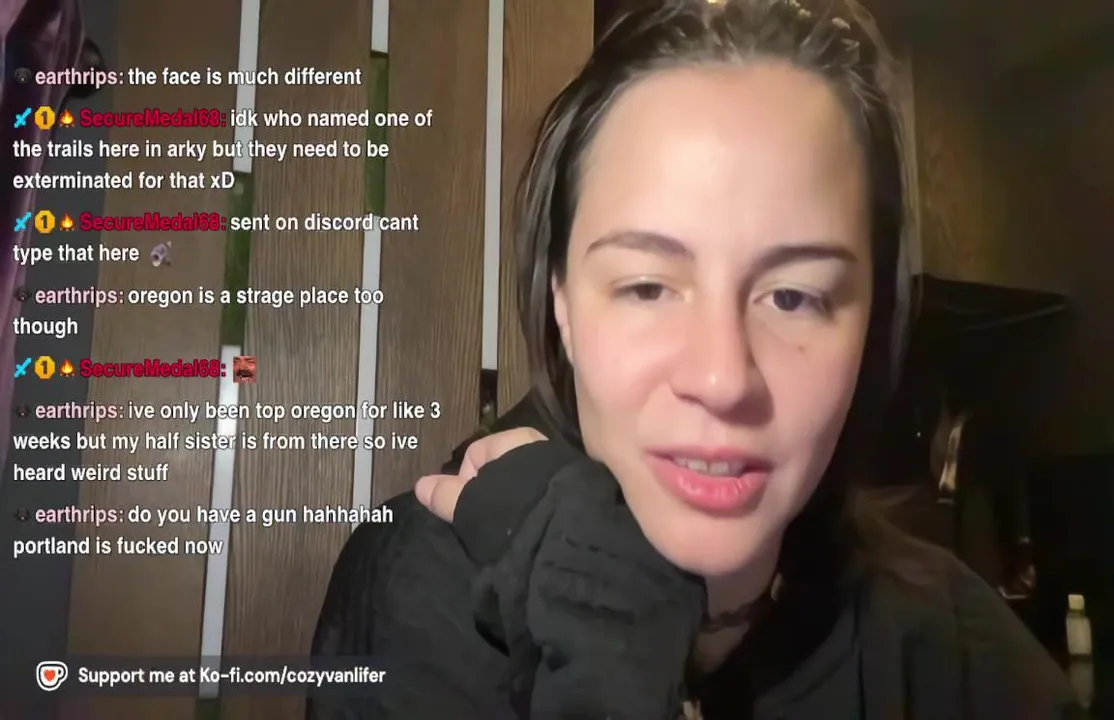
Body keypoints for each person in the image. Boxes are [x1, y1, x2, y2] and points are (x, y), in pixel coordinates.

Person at [307, 0, 1083, 717]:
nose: (721, 378)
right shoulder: (423, 589)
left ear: (869, 326)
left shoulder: (949, 647)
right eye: (647, 287)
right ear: (562, 306)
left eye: (794, 297)